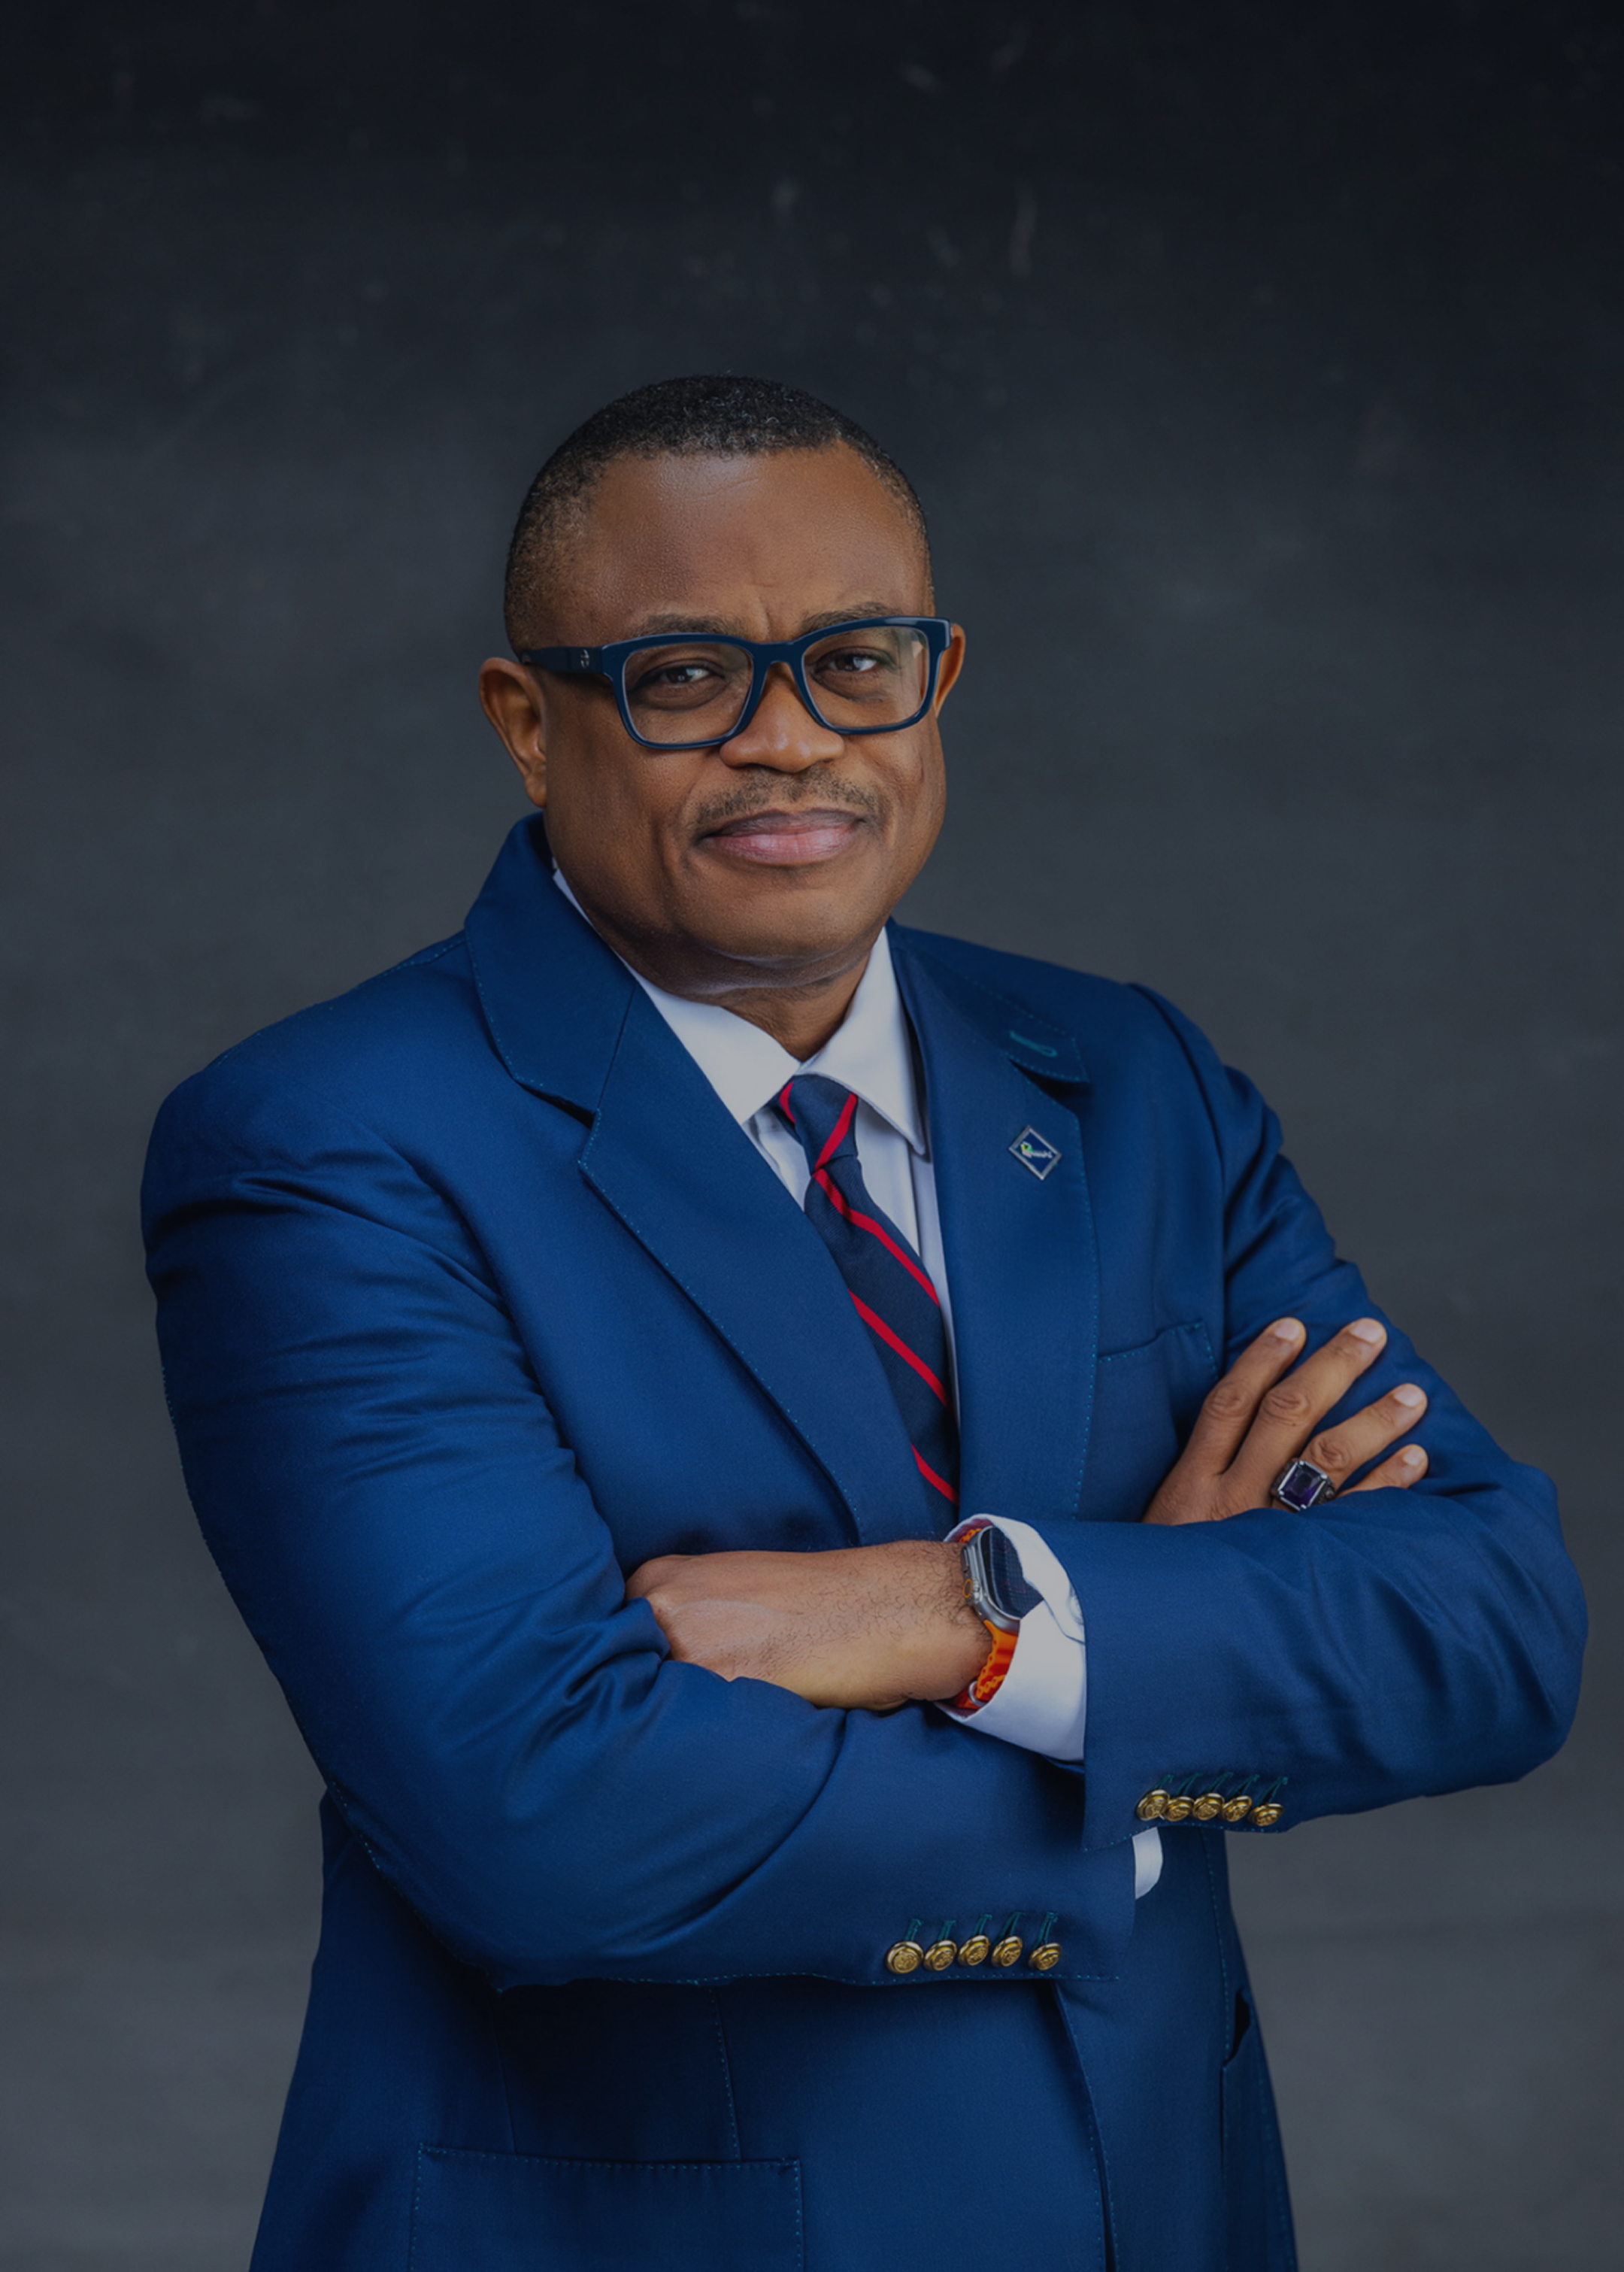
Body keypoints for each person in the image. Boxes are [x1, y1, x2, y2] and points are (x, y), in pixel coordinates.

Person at [142, 375, 1585, 2272]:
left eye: (857, 661)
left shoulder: (1132, 1083)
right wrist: (1158, 1659)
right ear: (526, 719)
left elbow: (1493, 1624)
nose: (792, 738)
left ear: (938, 677)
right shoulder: (327, 1144)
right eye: (685, 675)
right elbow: (545, 1818)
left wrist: (963, 1615)